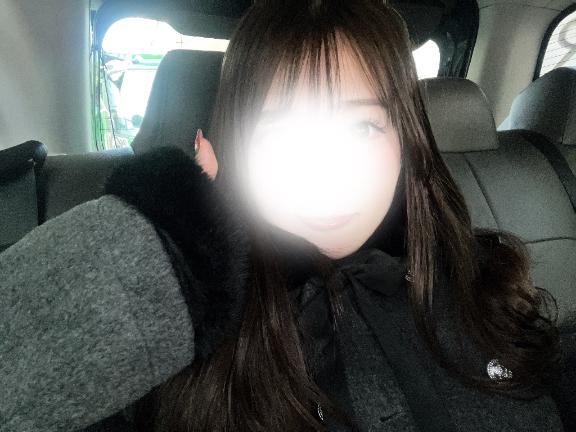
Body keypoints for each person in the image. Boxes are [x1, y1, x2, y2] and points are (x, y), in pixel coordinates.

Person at [0, 1, 571, 431]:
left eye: (361, 127)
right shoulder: (176, 320)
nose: (325, 169)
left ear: (407, 142)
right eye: (283, 132)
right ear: (233, 147)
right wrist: (171, 241)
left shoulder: (485, 282)